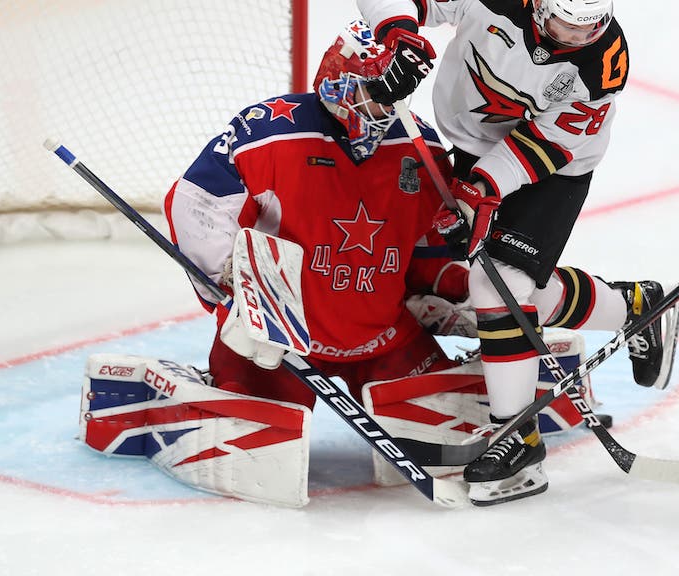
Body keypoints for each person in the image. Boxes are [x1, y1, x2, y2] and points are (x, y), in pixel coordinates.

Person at [355, 0, 679, 506]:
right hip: (470, 141)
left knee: (497, 284)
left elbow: (549, 142)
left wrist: (483, 187)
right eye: (564, 25)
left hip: (554, 165)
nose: (576, 39)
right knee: (512, 291)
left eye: (588, 28)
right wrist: (398, 33)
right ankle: (634, 307)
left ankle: (517, 437)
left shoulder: (604, 59)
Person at [165, 21, 467, 415]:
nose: (384, 108)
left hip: (384, 335)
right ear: (339, 78)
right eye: (375, 91)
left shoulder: (419, 146)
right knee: (259, 426)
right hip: (279, 339)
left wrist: (457, 289)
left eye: (393, 94)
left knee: (449, 415)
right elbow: (197, 203)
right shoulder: (270, 130)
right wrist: (233, 286)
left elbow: (434, 236)